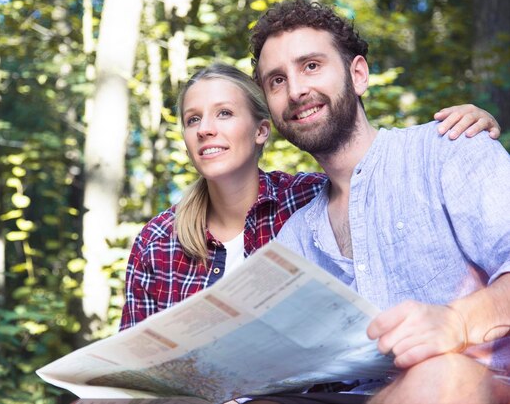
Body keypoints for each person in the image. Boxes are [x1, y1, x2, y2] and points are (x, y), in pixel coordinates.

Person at [247, 0, 510, 404]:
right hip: (361, 396)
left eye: (311, 66)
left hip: (478, 383)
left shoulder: (450, 148)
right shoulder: (296, 238)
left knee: (442, 375)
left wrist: (458, 321)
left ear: (358, 75)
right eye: (276, 80)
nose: (296, 90)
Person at [119, 63, 501, 332]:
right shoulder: (157, 242)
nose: (205, 130)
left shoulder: (307, 200)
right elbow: (132, 365)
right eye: (193, 119)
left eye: (223, 113)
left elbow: (377, 173)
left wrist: (469, 123)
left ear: (261, 131)